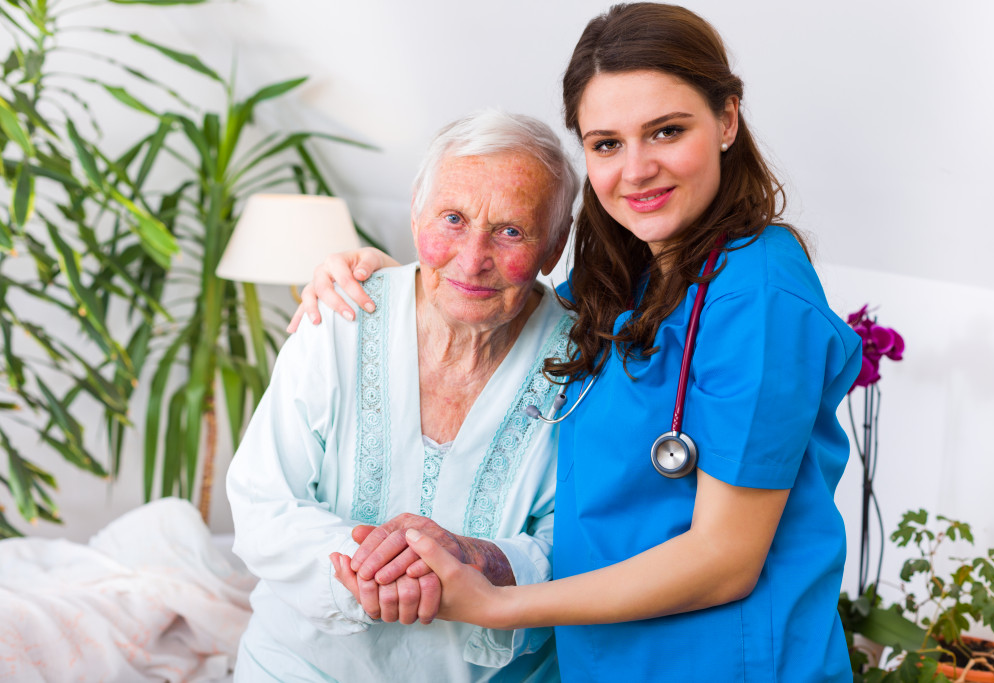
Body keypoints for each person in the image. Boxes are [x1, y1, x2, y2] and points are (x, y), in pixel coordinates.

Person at [296, 4, 862, 681]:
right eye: (606, 143)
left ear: (727, 121)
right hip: (611, 661)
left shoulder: (761, 295)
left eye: (667, 131)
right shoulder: (631, 280)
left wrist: (495, 604)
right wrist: (402, 282)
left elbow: (723, 561)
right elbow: (520, 312)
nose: (637, 168)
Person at [226, 109, 579, 682]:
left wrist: (479, 558)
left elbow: (583, 542)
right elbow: (263, 500)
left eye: (510, 230)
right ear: (417, 214)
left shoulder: (587, 360)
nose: (472, 259)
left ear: (556, 242)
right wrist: (373, 571)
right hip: (300, 667)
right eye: (453, 218)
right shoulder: (339, 316)